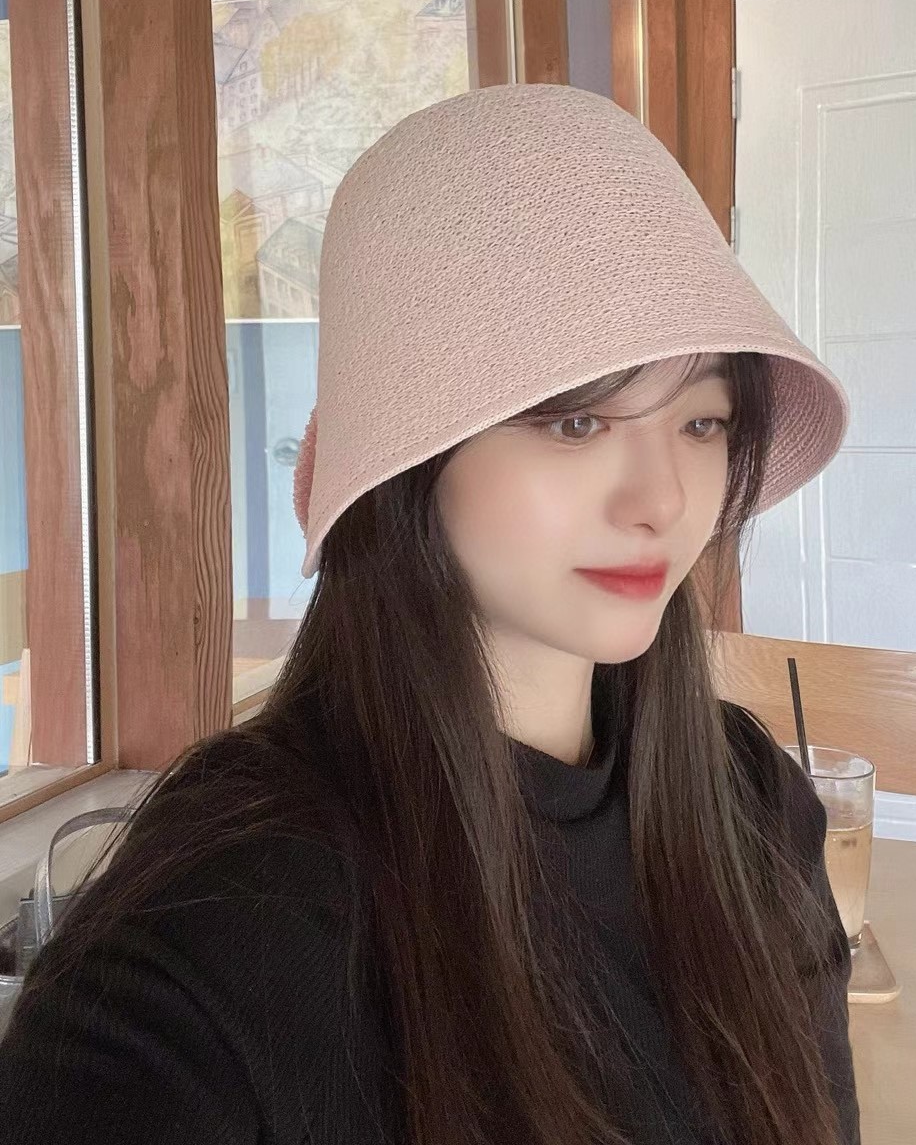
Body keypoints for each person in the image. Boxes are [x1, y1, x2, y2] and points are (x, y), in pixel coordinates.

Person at [0, 84, 859, 1145]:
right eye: (579, 422)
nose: (663, 502)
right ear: (407, 463)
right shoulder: (208, 943)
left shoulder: (747, 802)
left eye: (702, 421)